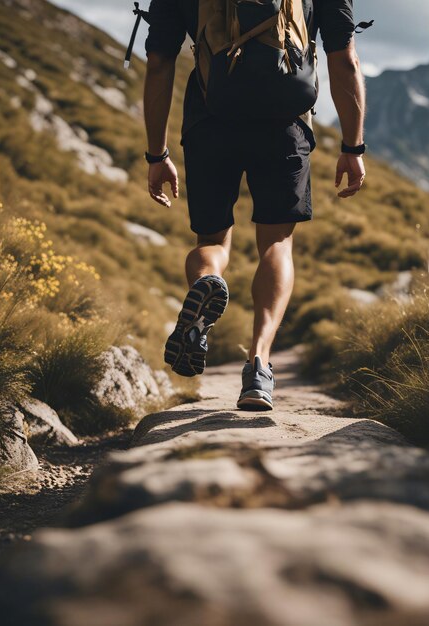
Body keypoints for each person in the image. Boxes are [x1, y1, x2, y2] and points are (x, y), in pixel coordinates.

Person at [144, 0, 366, 410]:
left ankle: (206, 281)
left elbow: (159, 62)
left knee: (211, 239)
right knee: (277, 244)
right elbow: (345, 59)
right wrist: (353, 146)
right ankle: (259, 365)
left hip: (209, 119)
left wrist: (156, 156)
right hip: (286, 125)